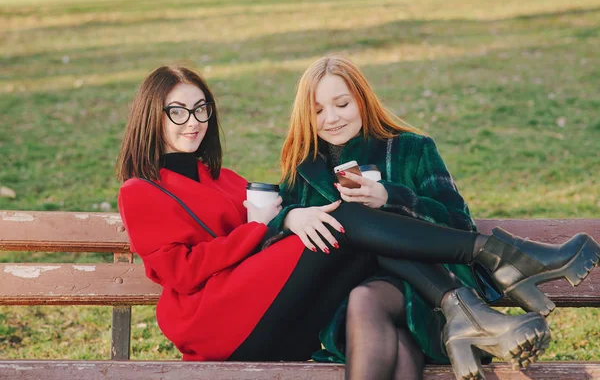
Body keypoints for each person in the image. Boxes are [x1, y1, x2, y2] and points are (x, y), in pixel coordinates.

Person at [116, 65, 599, 380]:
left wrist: (387, 197)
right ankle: (495, 260)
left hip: (279, 310)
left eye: (200, 108)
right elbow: (179, 271)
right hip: (213, 322)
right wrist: (276, 224)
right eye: (176, 110)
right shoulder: (141, 191)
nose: (192, 121)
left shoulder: (227, 179)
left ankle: (468, 305)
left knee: (353, 238)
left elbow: (272, 255)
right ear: (151, 117)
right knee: (343, 220)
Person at [267, 55, 600, 380]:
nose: (332, 118)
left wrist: (391, 198)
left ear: (363, 101)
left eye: (342, 104)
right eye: (318, 110)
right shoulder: (303, 172)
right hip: (346, 303)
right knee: (380, 321)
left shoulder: (412, 149)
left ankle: (468, 308)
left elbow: (457, 223)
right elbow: (285, 257)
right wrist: (290, 217)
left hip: (423, 295)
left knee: (368, 300)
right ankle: (498, 272)